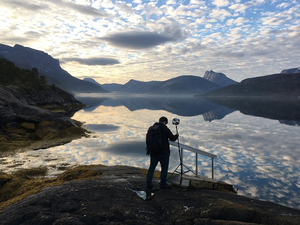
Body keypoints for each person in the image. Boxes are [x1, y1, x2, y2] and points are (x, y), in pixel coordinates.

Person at [146, 116, 178, 189]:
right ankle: (162, 184)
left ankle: (148, 183)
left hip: (153, 152)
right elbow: (172, 138)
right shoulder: (164, 128)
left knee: (152, 168)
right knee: (164, 168)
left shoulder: (152, 128)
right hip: (163, 152)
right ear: (165, 122)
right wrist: (176, 136)